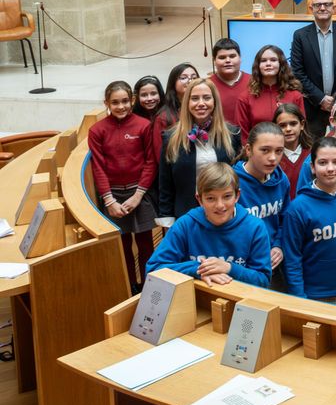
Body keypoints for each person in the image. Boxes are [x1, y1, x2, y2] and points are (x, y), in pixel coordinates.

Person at [146, 163, 271, 287]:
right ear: (200, 200)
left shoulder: (255, 227)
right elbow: (153, 269)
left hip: (240, 300)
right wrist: (198, 269)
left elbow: (263, 280)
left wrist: (229, 268)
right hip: (195, 298)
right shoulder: (185, 225)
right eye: (211, 198)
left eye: (227, 196)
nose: (220, 205)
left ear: (237, 196)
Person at [280, 137, 336, 305]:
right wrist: (299, 297)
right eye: (323, 163)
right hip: (316, 295)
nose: (330, 169)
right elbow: (292, 258)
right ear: (312, 167)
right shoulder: (298, 209)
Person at [90, 81, 158, 290]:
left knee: (146, 241)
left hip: (140, 192)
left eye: (125, 101)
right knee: (123, 243)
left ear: (132, 100)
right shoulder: (97, 130)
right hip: (113, 195)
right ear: (106, 103)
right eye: (115, 102)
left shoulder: (143, 125)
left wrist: (138, 195)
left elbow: (150, 162)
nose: (121, 106)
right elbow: (98, 168)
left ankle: (149, 285)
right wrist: (109, 200)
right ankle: (129, 286)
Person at [157, 78, 242, 226]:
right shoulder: (171, 138)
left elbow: (237, 177)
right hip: (186, 216)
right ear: (187, 103)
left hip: (224, 213)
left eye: (207, 98)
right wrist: (167, 219)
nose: (201, 103)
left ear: (214, 102)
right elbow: (165, 183)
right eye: (195, 98)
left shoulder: (231, 134)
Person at [291, 0, 336, 137]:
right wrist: (320, 98)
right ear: (311, 8)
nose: (322, 8)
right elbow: (297, 71)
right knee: (314, 150)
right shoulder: (300, 36)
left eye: (327, 4)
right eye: (318, 5)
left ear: (334, 8)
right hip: (312, 106)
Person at [233, 122, 291, 289]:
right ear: (249, 149)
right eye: (265, 150)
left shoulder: (281, 180)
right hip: (242, 266)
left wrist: (279, 246)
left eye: (279, 151)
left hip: (272, 263)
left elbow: (284, 220)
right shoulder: (232, 182)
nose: (273, 157)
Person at [237, 45, 305, 133]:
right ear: (258, 66)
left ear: (281, 64)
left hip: (288, 146)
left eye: (273, 60)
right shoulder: (245, 98)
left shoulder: (295, 96)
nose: (268, 64)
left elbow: (302, 129)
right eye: (263, 61)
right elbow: (243, 133)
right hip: (258, 146)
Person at [273, 103, 310, 198]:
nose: (288, 129)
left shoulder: (313, 154)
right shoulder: (272, 158)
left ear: (302, 125)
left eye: (293, 124)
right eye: (282, 125)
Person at [209, 38, 250, 119]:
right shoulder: (207, 85)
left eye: (232, 56)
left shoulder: (254, 82)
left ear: (240, 58)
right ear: (214, 61)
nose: (228, 60)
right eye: (222, 57)